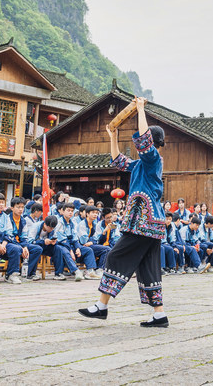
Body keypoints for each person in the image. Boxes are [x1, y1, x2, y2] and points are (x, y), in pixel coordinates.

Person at [79, 98, 170, 327]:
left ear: (153, 141)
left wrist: (140, 110)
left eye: (147, 137)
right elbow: (119, 161)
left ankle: (101, 306)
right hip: (150, 223)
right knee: (147, 267)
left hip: (143, 221)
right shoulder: (141, 164)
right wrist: (112, 136)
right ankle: (159, 315)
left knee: (115, 256)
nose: (143, 140)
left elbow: (143, 141)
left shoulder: (152, 159)